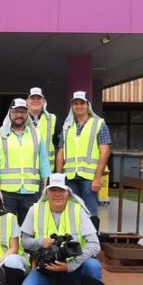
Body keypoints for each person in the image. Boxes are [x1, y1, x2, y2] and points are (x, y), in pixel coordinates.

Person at [19, 173, 104, 285]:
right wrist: (40, 243)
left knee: (93, 266)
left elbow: (95, 245)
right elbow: (24, 241)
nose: (57, 194)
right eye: (53, 190)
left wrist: (70, 266)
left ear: (68, 192)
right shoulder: (35, 210)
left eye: (61, 190)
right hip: (47, 268)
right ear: (46, 192)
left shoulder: (77, 210)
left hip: (74, 267)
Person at [0, 98, 51, 225]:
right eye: (16, 112)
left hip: (31, 191)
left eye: (22, 112)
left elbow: (44, 162)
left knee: (29, 228)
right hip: (7, 192)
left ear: (27, 114)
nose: (19, 115)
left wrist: (47, 188)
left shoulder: (36, 134)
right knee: (6, 227)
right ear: (10, 113)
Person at [56, 91, 112, 231]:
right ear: (72, 106)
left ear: (88, 105)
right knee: (71, 211)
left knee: (90, 211)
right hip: (70, 176)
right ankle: (74, 243)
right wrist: (59, 176)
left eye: (82, 103)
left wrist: (98, 178)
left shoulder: (99, 124)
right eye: (76, 103)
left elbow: (105, 151)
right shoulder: (67, 126)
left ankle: (92, 243)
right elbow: (61, 152)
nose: (79, 106)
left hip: (89, 177)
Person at [27, 88, 61, 169]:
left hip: (47, 170)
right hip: (26, 172)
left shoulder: (52, 119)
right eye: (32, 98)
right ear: (27, 101)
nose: (36, 101)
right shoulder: (20, 119)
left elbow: (59, 147)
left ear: (44, 101)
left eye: (38, 98)